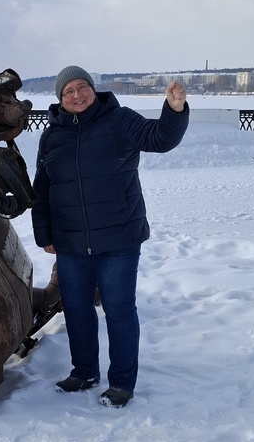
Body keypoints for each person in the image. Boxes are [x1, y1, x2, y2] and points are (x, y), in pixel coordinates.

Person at [31, 65, 188, 407]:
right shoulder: (52, 135)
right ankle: (84, 372)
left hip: (119, 238)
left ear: (93, 89)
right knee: (76, 310)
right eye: (68, 91)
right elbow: (42, 189)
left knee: (119, 311)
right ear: (60, 98)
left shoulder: (119, 120)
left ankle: (121, 382)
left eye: (82, 87)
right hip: (71, 241)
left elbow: (160, 138)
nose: (77, 95)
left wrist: (174, 111)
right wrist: (43, 232)